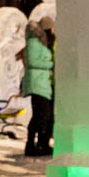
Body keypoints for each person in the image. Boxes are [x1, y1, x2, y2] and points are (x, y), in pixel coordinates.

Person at [23, 16, 55, 156]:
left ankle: (41, 144)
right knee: (40, 115)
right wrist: (51, 65)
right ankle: (31, 144)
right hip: (37, 83)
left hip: (43, 83)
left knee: (44, 115)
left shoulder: (42, 42)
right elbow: (32, 61)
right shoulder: (34, 42)